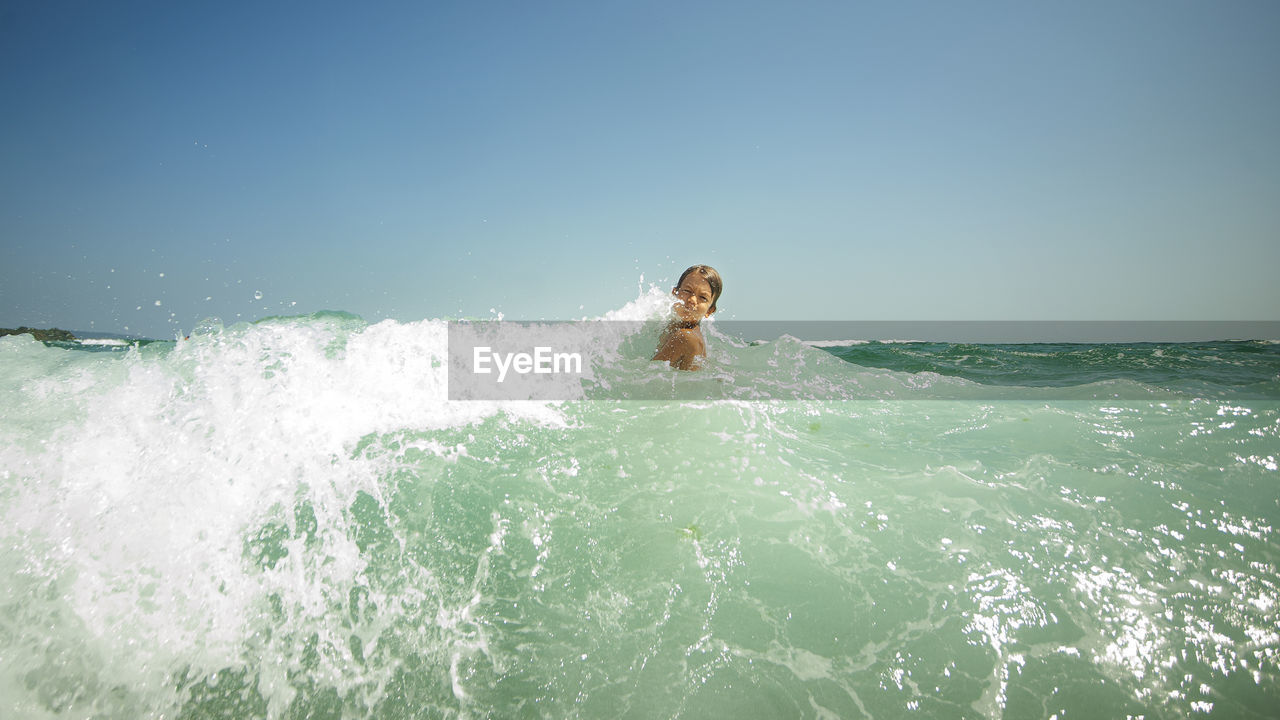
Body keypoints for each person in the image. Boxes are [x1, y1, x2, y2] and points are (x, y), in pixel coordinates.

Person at [652, 264, 722, 371]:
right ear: (675, 293)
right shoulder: (672, 327)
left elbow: (649, 372)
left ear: (709, 311)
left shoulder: (685, 337)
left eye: (702, 297)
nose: (692, 300)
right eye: (687, 291)